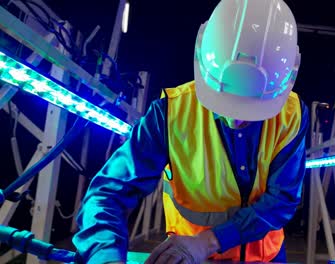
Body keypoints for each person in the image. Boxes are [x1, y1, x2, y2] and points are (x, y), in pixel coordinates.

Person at [73, 0, 310, 263]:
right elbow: (108, 193)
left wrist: (207, 242)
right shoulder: (170, 114)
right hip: (187, 258)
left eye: (251, 108)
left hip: (265, 257)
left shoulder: (292, 116)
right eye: (225, 100)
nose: (235, 121)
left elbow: (281, 200)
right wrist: (104, 255)